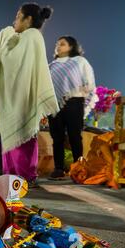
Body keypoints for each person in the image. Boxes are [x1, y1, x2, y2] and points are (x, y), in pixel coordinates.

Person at [0, 3, 59, 187]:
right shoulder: (21, 37)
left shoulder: (32, 36)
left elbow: (12, 61)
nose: (13, 21)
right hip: (12, 97)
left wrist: (6, 35)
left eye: (18, 16)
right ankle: (10, 176)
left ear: (28, 20)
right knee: (11, 136)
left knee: (23, 137)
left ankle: (25, 176)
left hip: (24, 98)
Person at [48, 36, 97, 180]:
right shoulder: (51, 65)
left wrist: (83, 89)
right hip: (55, 104)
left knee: (75, 136)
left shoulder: (80, 61)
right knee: (57, 137)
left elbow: (89, 82)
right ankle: (58, 168)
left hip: (74, 101)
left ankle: (78, 168)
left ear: (71, 47)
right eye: (57, 44)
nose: (58, 46)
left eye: (62, 44)